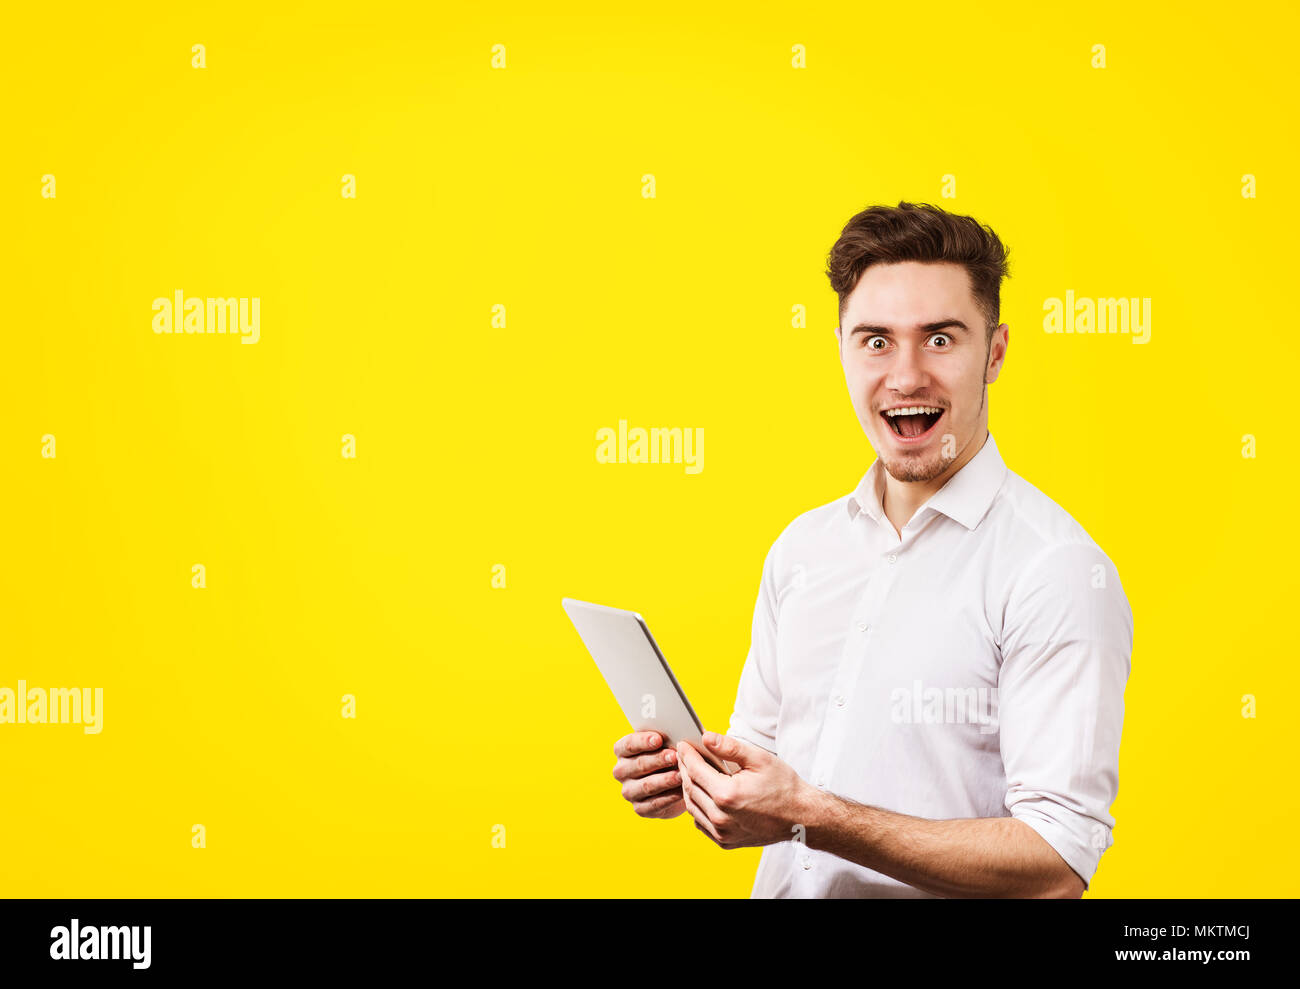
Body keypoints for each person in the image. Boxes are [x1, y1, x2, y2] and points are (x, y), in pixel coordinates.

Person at [611, 201, 1133, 897]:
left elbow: (1055, 864)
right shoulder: (802, 548)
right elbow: (764, 764)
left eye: (941, 339)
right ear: (842, 349)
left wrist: (812, 815)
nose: (907, 375)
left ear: (997, 351)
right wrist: (696, 779)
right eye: (876, 340)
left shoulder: (1056, 569)